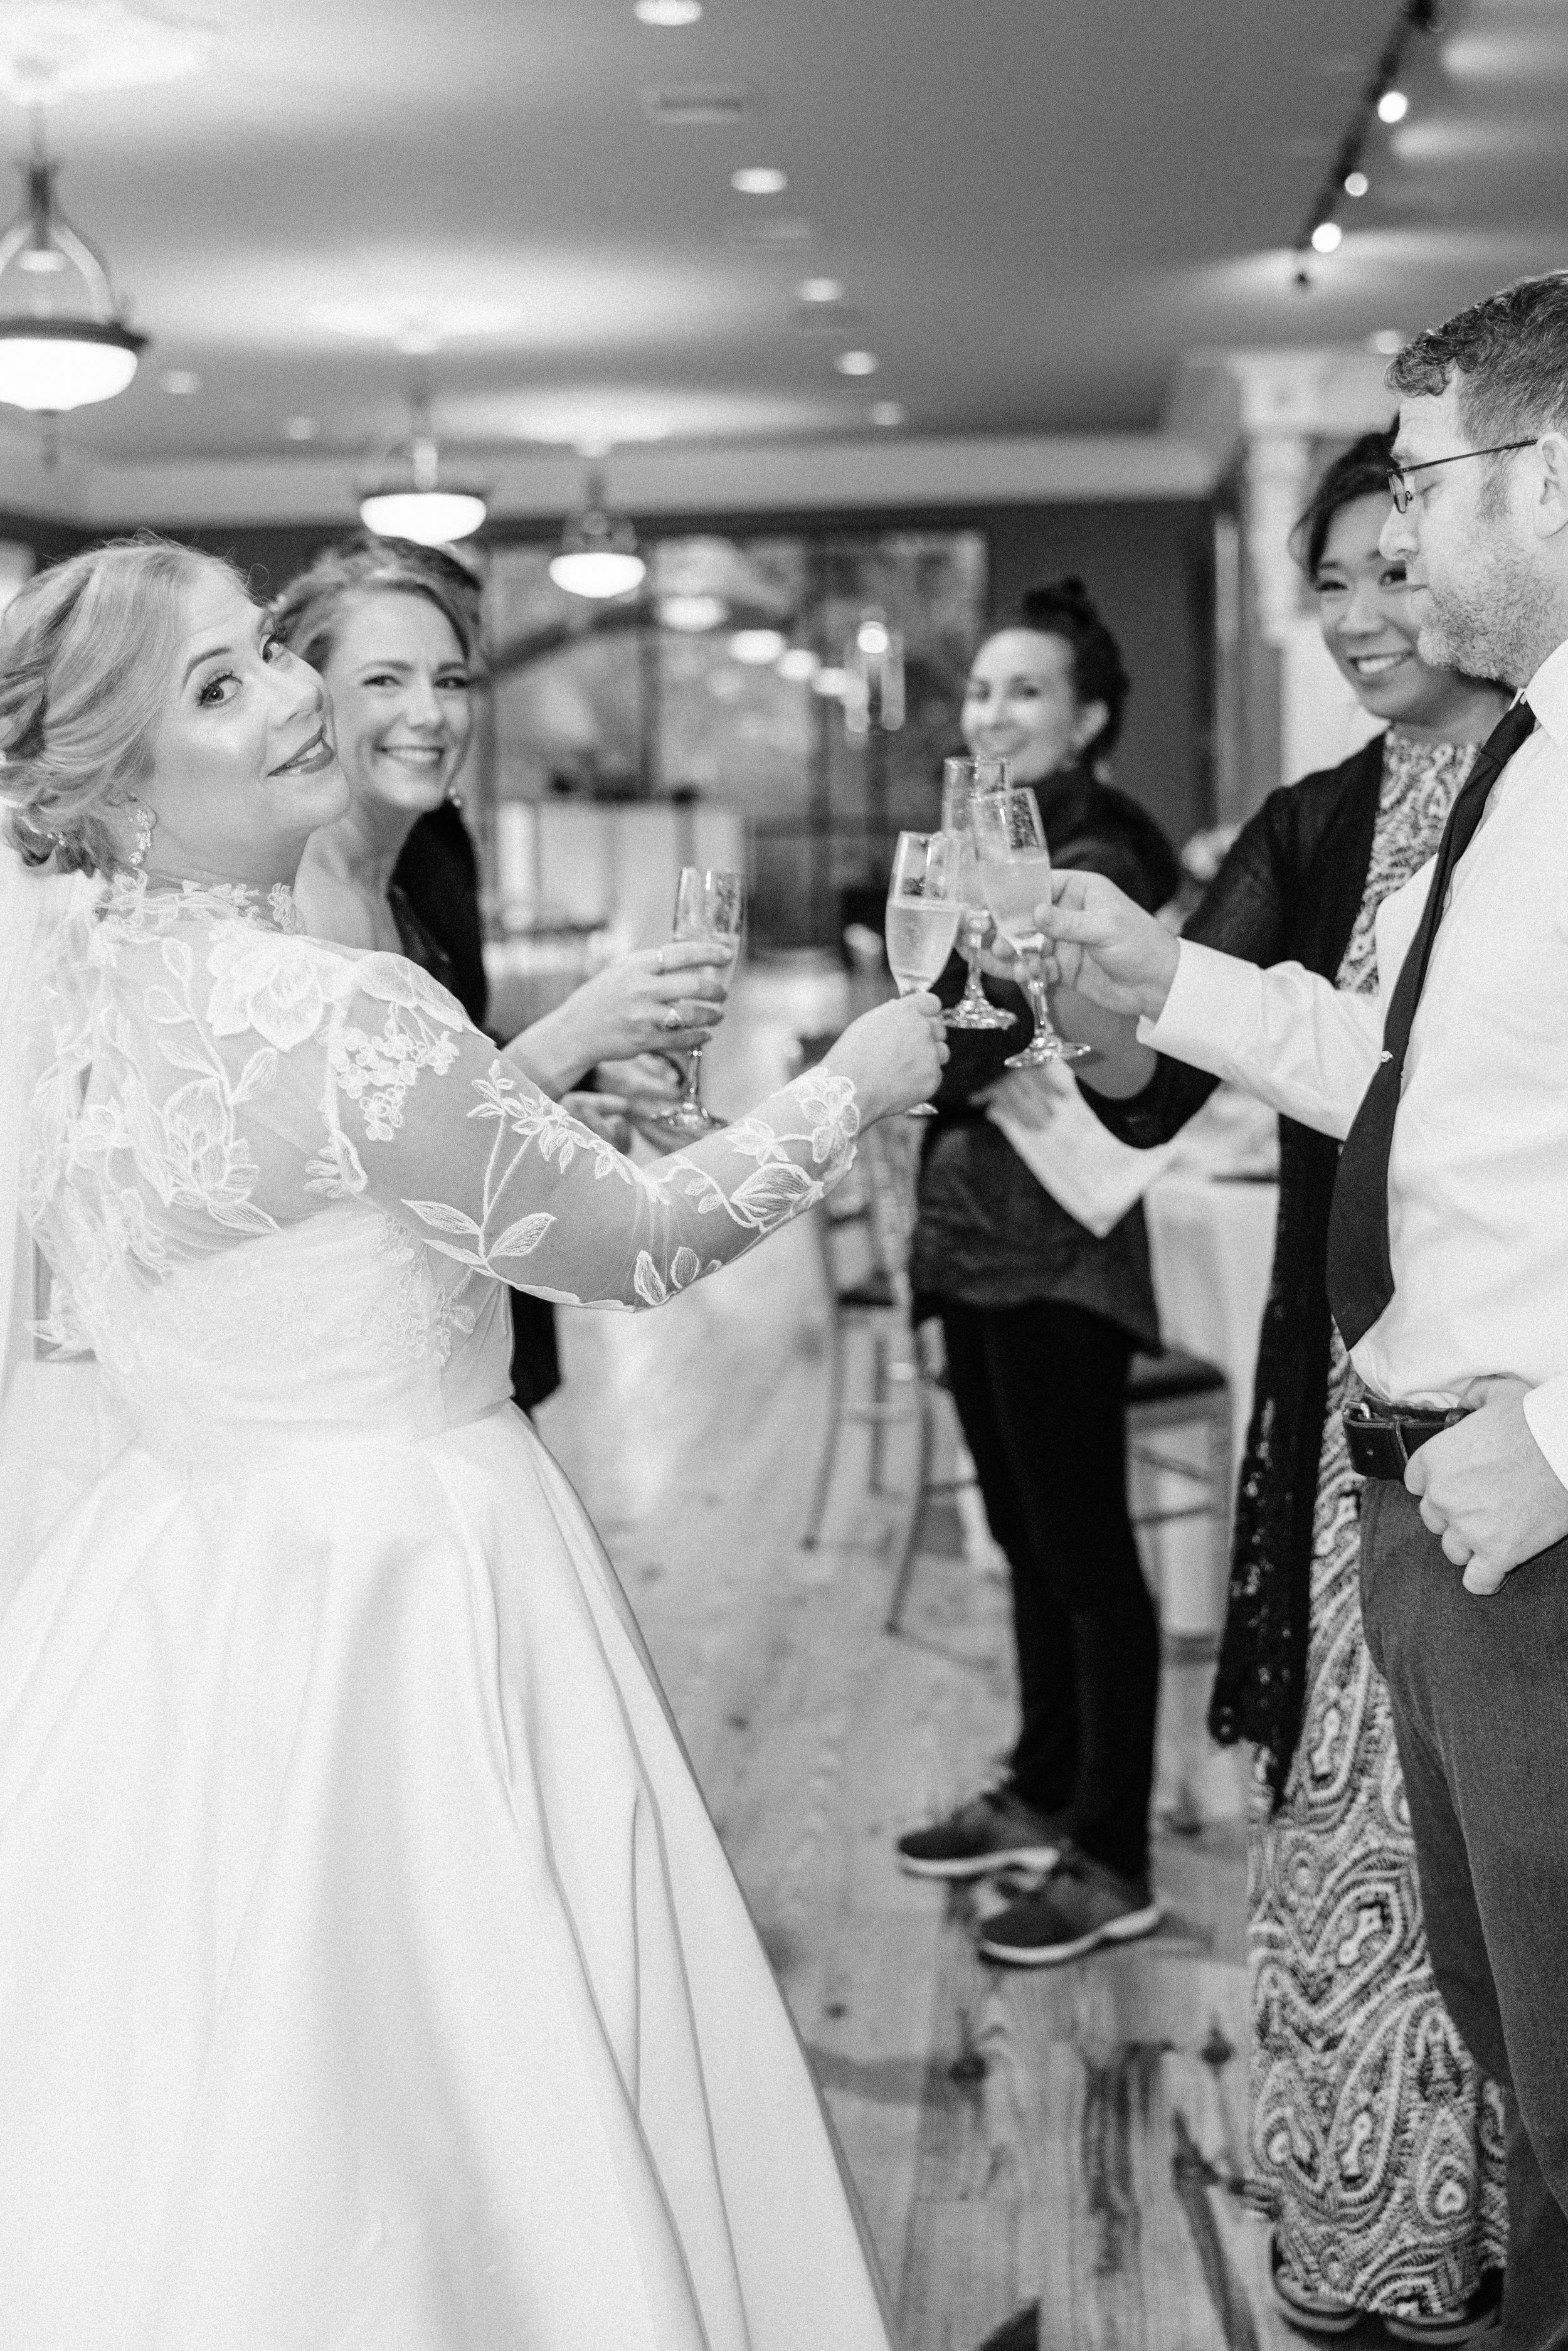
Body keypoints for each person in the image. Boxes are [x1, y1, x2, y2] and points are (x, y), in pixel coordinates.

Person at [0, 534, 946, 2349]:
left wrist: (528, 1085)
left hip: (178, 1580)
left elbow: (305, 1209)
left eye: (265, 653)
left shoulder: (75, 1017)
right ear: (115, 793)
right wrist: (858, 1080)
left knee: (186, 2063)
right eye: (222, 687)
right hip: (414, 1578)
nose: (294, 702)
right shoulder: (339, 1005)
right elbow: (631, 1246)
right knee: (473, 2036)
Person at [1037, 272, 1568, 2350]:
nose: (1398, 541)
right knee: (1527, 2074)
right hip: (1434, 1514)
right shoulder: (1525, 769)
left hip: (1528, 1514)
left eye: (1426, 487)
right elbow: (1395, 1068)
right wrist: (1148, 971)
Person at [275, 534, 727, 1414]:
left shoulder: (436, 854)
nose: (432, 715)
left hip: (470, 1326)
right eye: (384, 680)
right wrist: (574, 1034)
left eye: (451, 682)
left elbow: (443, 1071)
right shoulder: (282, 900)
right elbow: (349, 1175)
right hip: (350, 1369)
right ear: (305, 694)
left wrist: (577, 1089)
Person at [894, 580, 1180, 1967]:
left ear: (1088, 715)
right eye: (981, 689)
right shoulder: (979, 846)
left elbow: (983, 1033)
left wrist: (912, 1038)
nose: (994, 711)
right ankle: (1042, 1781)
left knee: (1083, 1551)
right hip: (976, 1233)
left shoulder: (1101, 845)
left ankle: (1112, 1847)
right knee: (1019, 1532)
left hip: (1060, 1237)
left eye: (1025, 690)